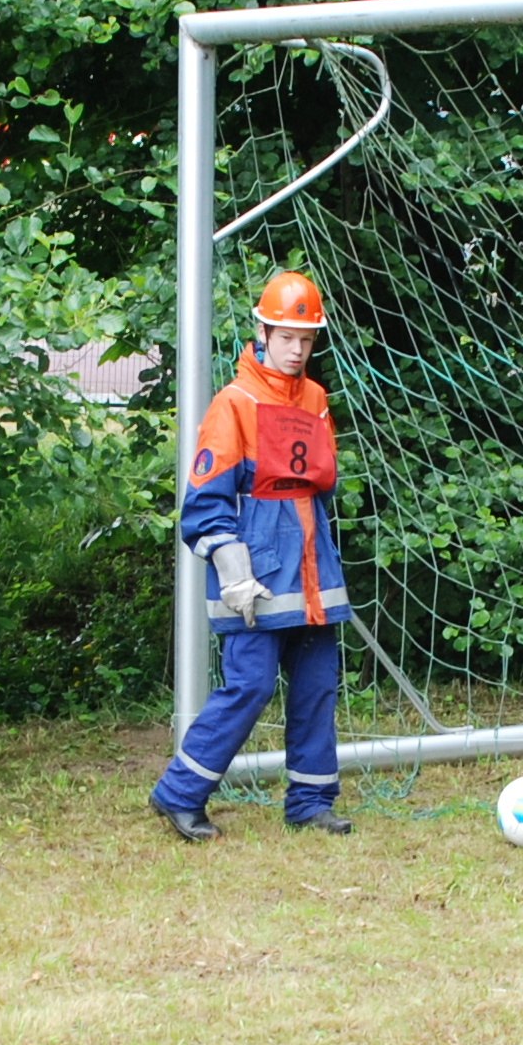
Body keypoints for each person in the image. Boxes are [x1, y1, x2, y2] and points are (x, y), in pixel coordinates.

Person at [153, 271, 356, 843]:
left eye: (306, 339)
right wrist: (233, 573)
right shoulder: (233, 404)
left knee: (317, 686)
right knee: (250, 686)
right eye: (287, 337)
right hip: (255, 580)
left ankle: (310, 803)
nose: (296, 350)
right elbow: (204, 507)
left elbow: (318, 490)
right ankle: (179, 793)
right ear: (262, 332)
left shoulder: (316, 400)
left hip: (312, 577)